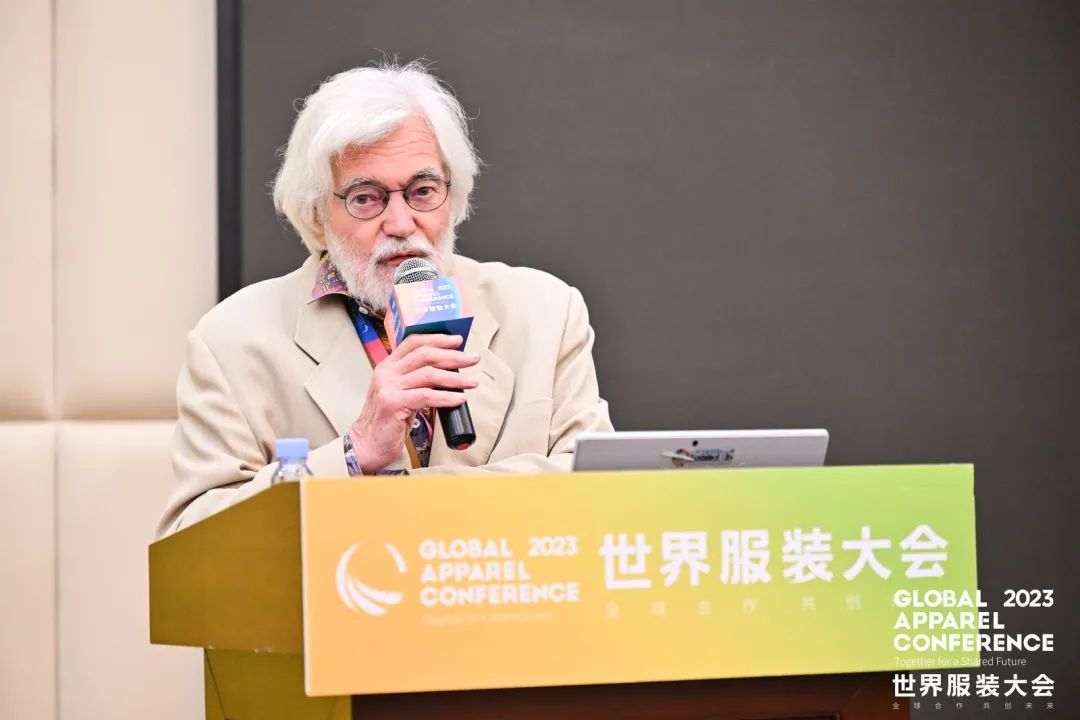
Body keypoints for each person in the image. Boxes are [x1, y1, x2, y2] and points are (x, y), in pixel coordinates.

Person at [157, 61, 613, 537]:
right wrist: (354, 452)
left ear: (453, 199)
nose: (400, 224)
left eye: (423, 191)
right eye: (366, 198)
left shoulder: (547, 311)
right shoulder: (232, 341)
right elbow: (191, 539)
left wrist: (405, 497)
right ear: (317, 216)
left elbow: (605, 494)